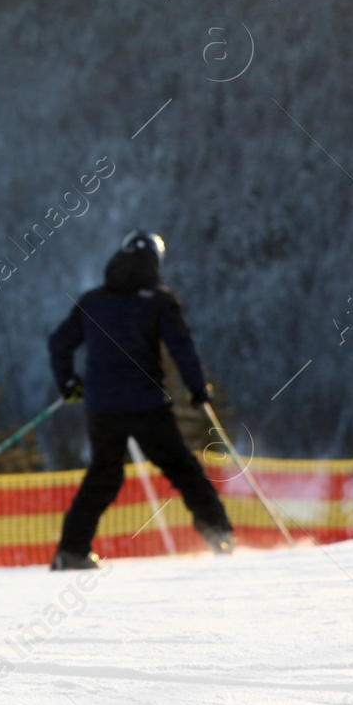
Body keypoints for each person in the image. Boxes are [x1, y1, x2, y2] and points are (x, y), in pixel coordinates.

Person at [46, 231, 235, 570]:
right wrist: (196, 388)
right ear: (155, 263)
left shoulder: (92, 301)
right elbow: (181, 346)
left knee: (103, 476)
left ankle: (71, 552)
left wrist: (69, 384)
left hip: (102, 408)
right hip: (147, 404)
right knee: (182, 468)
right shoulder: (159, 300)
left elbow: (59, 344)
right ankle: (218, 533)